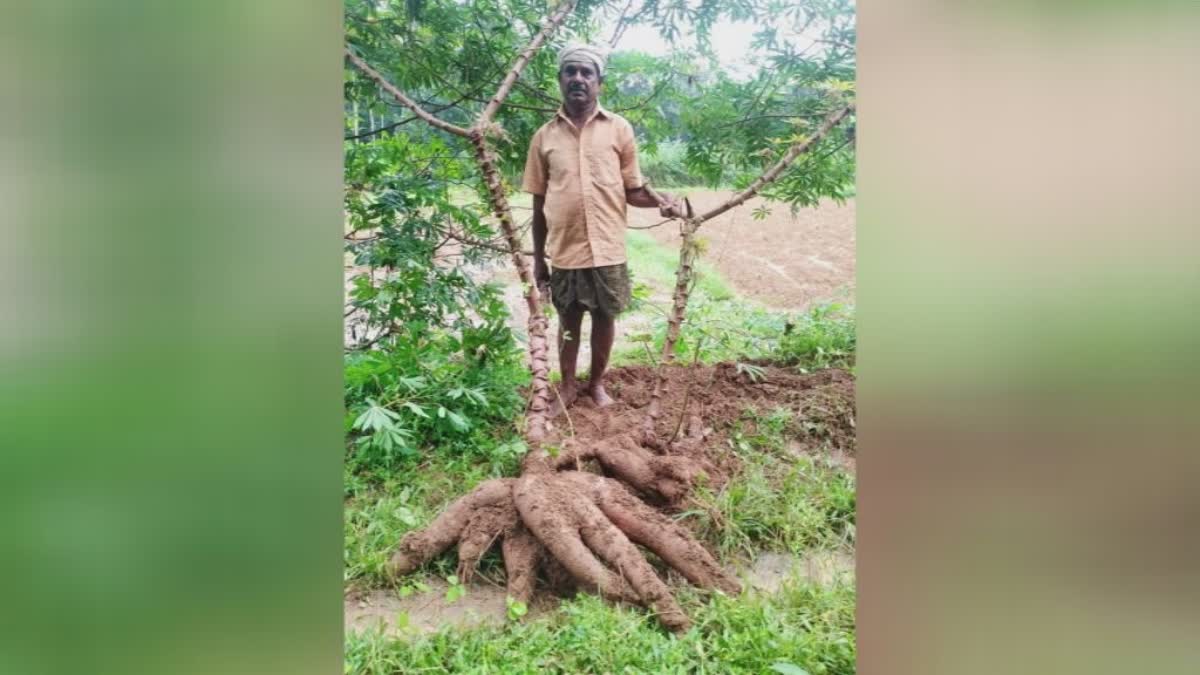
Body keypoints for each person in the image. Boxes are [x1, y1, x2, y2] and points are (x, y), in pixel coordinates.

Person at [521, 42, 685, 417]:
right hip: (565, 248)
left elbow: (633, 190)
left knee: (605, 317)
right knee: (568, 320)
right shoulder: (543, 137)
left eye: (586, 73)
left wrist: (665, 202)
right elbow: (538, 204)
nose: (578, 79)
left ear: (599, 82)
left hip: (608, 247)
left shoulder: (619, 129)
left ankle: (595, 384)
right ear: (560, 79)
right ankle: (566, 385)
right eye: (571, 72)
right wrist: (538, 261)